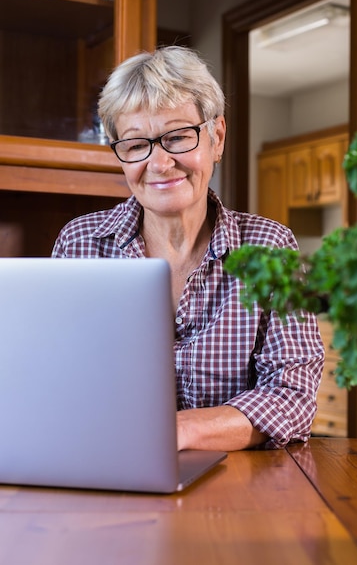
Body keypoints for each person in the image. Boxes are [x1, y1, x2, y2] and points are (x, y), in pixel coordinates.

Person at [52, 45, 324, 451]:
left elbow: (292, 397)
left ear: (216, 137)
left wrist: (180, 430)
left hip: (235, 496)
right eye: (135, 144)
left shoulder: (271, 248)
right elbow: (52, 385)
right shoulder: (80, 245)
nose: (160, 164)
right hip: (110, 472)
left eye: (178, 137)